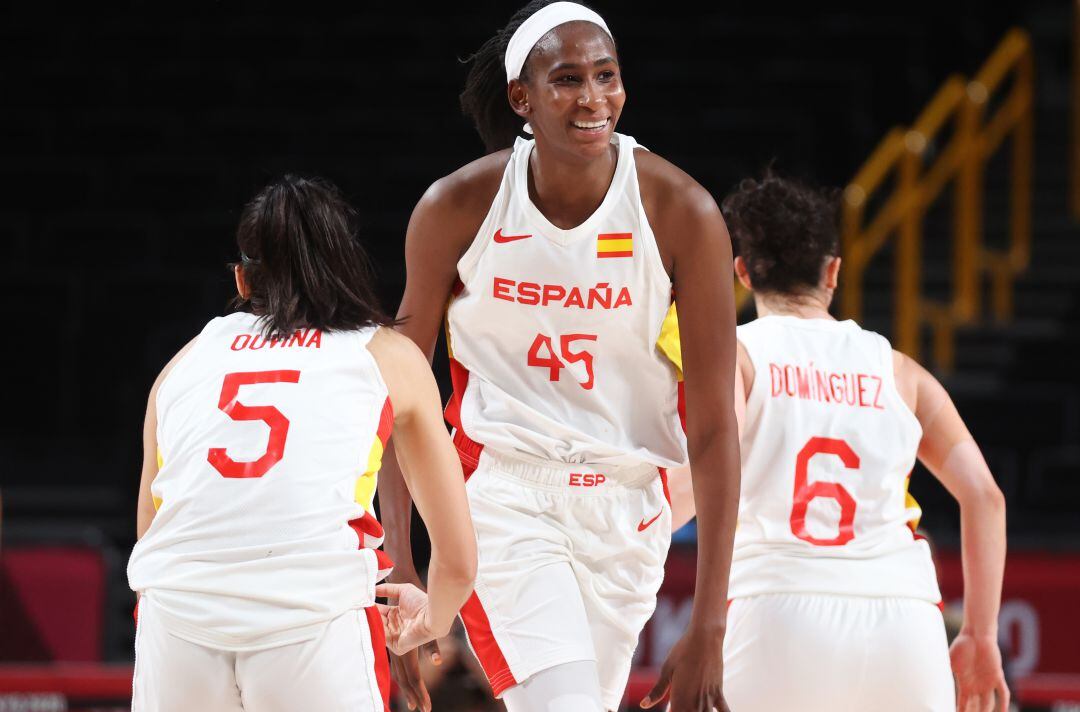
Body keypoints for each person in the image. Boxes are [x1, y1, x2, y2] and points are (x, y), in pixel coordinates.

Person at [376, 2, 741, 711]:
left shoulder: (682, 211)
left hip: (630, 508)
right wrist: (402, 554)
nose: (594, 97)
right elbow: (399, 393)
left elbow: (718, 425)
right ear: (524, 98)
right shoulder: (458, 206)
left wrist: (710, 619)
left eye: (607, 75)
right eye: (568, 79)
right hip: (504, 498)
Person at [126, 175, 477, 712]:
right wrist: (428, 620)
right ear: (347, 267)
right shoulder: (387, 355)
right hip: (311, 621)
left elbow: (150, 530)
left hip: (176, 621)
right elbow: (456, 560)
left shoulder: (184, 361)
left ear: (243, 280)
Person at [668, 171, 1009, 711]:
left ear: (743, 273)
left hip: (778, 608)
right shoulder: (899, 370)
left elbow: (698, 483)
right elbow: (986, 498)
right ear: (833, 271)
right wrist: (981, 635)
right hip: (906, 622)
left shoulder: (737, 357)